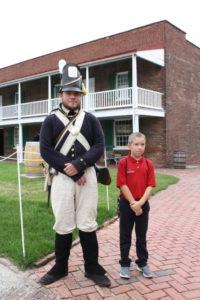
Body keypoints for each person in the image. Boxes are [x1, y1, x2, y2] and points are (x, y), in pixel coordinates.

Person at [39, 61, 111, 287]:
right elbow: (45, 150)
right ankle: (60, 267)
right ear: (61, 93)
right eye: (69, 92)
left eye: (77, 93)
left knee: (88, 222)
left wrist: (80, 164)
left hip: (87, 176)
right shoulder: (50, 120)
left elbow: (99, 145)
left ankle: (92, 267)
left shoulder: (89, 119)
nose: (73, 97)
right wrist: (69, 170)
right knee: (63, 222)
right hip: (61, 178)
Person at [116, 132, 156, 279]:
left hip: (143, 204)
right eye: (136, 144)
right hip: (127, 205)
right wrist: (133, 203)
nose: (140, 147)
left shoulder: (149, 164)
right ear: (129, 145)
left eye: (142, 144)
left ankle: (142, 263)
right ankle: (125, 264)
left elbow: (150, 186)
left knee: (141, 236)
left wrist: (140, 203)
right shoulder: (123, 163)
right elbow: (122, 184)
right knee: (125, 235)